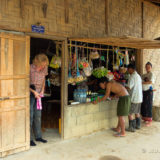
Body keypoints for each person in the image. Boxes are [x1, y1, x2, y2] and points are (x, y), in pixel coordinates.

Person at [30, 53, 49, 146]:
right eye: (42, 65)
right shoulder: (30, 68)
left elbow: (44, 79)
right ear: (37, 62)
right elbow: (25, 82)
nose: (43, 67)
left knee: (38, 115)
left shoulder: (45, 68)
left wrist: (42, 90)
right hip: (30, 92)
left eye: (45, 65)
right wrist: (34, 92)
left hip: (39, 93)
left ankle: (38, 136)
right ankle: (29, 139)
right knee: (30, 115)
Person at [126, 64, 143, 132]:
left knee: (129, 113)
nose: (127, 70)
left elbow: (129, 87)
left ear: (131, 69)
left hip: (134, 98)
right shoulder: (138, 76)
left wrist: (123, 86)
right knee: (137, 112)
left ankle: (131, 127)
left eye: (128, 69)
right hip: (139, 98)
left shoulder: (132, 76)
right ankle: (138, 125)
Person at [141, 62, 155, 126]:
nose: (147, 68)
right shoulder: (143, 75)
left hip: (149, 91)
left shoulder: (152, 74)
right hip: (143, 91)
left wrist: (143, 83)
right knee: (144, 105)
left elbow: (150, 82)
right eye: (146, 67)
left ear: (151, 68)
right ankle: (145, 118)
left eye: (149, 67)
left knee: (149, 105)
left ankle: (150, 120)